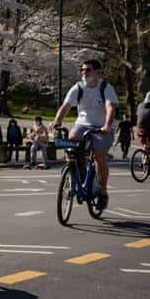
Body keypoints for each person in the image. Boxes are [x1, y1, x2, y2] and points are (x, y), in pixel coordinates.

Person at [50, 58, 118, 209]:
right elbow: (65, 106)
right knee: (71, 141)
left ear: (99, 72)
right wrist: (57, 122)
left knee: (100, 155)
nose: (84, 73)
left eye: (88, 70)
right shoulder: (78, 87)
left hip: (101, 127)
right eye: (82, 70)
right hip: (83, 124)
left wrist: (107, 125)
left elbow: (110, 108)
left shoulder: (106, 88)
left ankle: (103, 192)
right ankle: (77, 171)